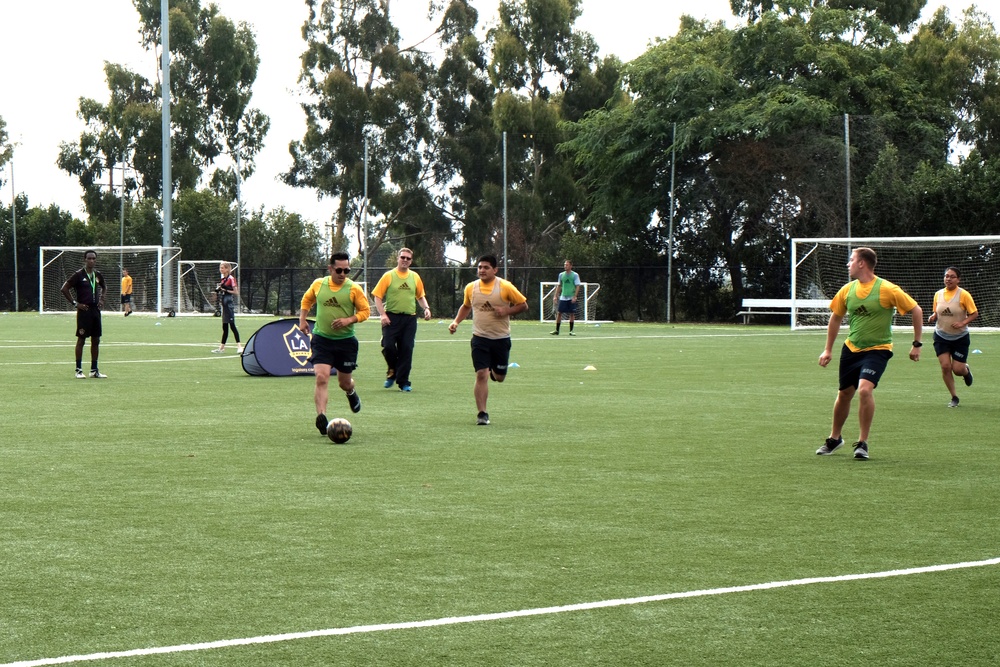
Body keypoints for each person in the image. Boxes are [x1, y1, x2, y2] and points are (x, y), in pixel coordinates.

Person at [816, 247, 922, 460]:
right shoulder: (847, 290)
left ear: (862, 263)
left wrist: (917, 344)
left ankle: (862, 443)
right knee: (844, 394)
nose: (848, 264)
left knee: (865, 390)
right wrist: (828, 349)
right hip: (852, 348)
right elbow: (836, 318)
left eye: (851, 260)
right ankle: (835, 438)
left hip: (878, 350)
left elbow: (916, 310)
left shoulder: (887, 289)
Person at [448, 254, 529, 425]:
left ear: (495, 270)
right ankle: (482, 413)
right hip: (480, 338)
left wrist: (507, 311)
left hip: (501, 339)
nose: (482, 270)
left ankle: (495, 371)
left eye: (486, 267)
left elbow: (523, 305)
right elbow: (466, 306)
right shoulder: (471, 288)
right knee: (481, 374)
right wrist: (456, 322)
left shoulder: (505, 287)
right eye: (479, 267)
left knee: (499, 377)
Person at [299, 251, 370, 434]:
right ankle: (322, 417)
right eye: (339, 270)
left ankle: (351, 393)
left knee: (344, 383)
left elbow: (365, 312)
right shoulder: (319, 284)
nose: (343, 274)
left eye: (347, 270)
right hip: (322, 339)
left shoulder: (354, 288)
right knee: (321, 377)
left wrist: (348, 320)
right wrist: (302, 320)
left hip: (346, 342)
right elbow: (307, 300)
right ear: (330, 268)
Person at [371, 247, 432, 391]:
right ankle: (392, 370)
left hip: (409, 319)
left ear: (411, 261)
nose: (405, 260)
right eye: (403, 257)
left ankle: (404, 382)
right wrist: (383, 315)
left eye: (408, 258)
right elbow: (377, 297)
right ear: (398, 258)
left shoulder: (415, 277)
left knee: (406, 349)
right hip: (391, 318)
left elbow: (420, 296)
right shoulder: (389, 276)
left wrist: (426, 308)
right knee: (388, 346)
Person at [927, 266, 978, 407]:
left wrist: (963, 322)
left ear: (958, 279)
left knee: (957, 369)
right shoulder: (938, 294)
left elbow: (974, 313)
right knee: (945, 366)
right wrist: (933, 316)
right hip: (941, 336)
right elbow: (936, 312)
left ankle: (966, 371)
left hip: (960, 338)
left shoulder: (964, 295)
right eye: (946, 276)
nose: (948, 279)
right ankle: (954, 397)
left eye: (952, 276)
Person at [61, 249, 108, 379]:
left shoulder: (97, 275)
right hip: (84, 311)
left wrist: (102, 299)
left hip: (95, 311)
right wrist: (75, 304)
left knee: (96, 340)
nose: (92, 260)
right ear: (85, 259)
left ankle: (94, 370)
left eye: (94, 258)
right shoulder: (78, 275)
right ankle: (78, 370)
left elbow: (104, 287)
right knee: (81, 339)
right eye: (89, 258)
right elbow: (64, 288)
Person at [212, 261, 242, 354]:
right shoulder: (223, 280)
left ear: (227, 269)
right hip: (224, 305)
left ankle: (240, 346)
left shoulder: (231, 279)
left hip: (229, 305)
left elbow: (236, 292)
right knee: (225, 327)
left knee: (232, 325)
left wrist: (225, 290)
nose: (221, 269)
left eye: (223, 268)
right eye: (220, 267)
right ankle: (222, 348)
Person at [550, 259, 581, 336]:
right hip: (563, 297)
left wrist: (575, 296)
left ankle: (571, 331)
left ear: (571, 266)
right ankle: (557, 330)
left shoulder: (575, 275)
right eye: (564, 265)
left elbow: (577, 286)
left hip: (571, 297)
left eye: (567, 265)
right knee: (559, 313)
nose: (565, 266)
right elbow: (559, 285)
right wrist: (555, 296)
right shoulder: (561, 275)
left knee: (572, 313)